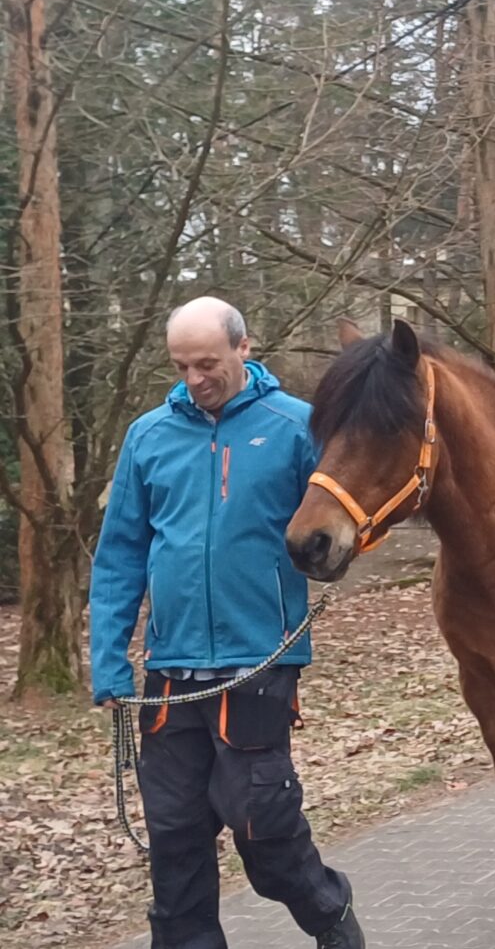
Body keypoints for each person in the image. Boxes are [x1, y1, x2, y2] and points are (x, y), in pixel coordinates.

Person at [89, 297, 364, 949]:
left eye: (207, 363)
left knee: (261, 825)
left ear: (244, 347)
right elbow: (120, 554)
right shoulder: (148, 436)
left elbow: (342, 519)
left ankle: (328, 912)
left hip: (259, 660)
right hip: (171, 670)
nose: (195, 379)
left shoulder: (297, 427)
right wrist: (109, 660)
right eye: (181, 366)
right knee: (175, 835)